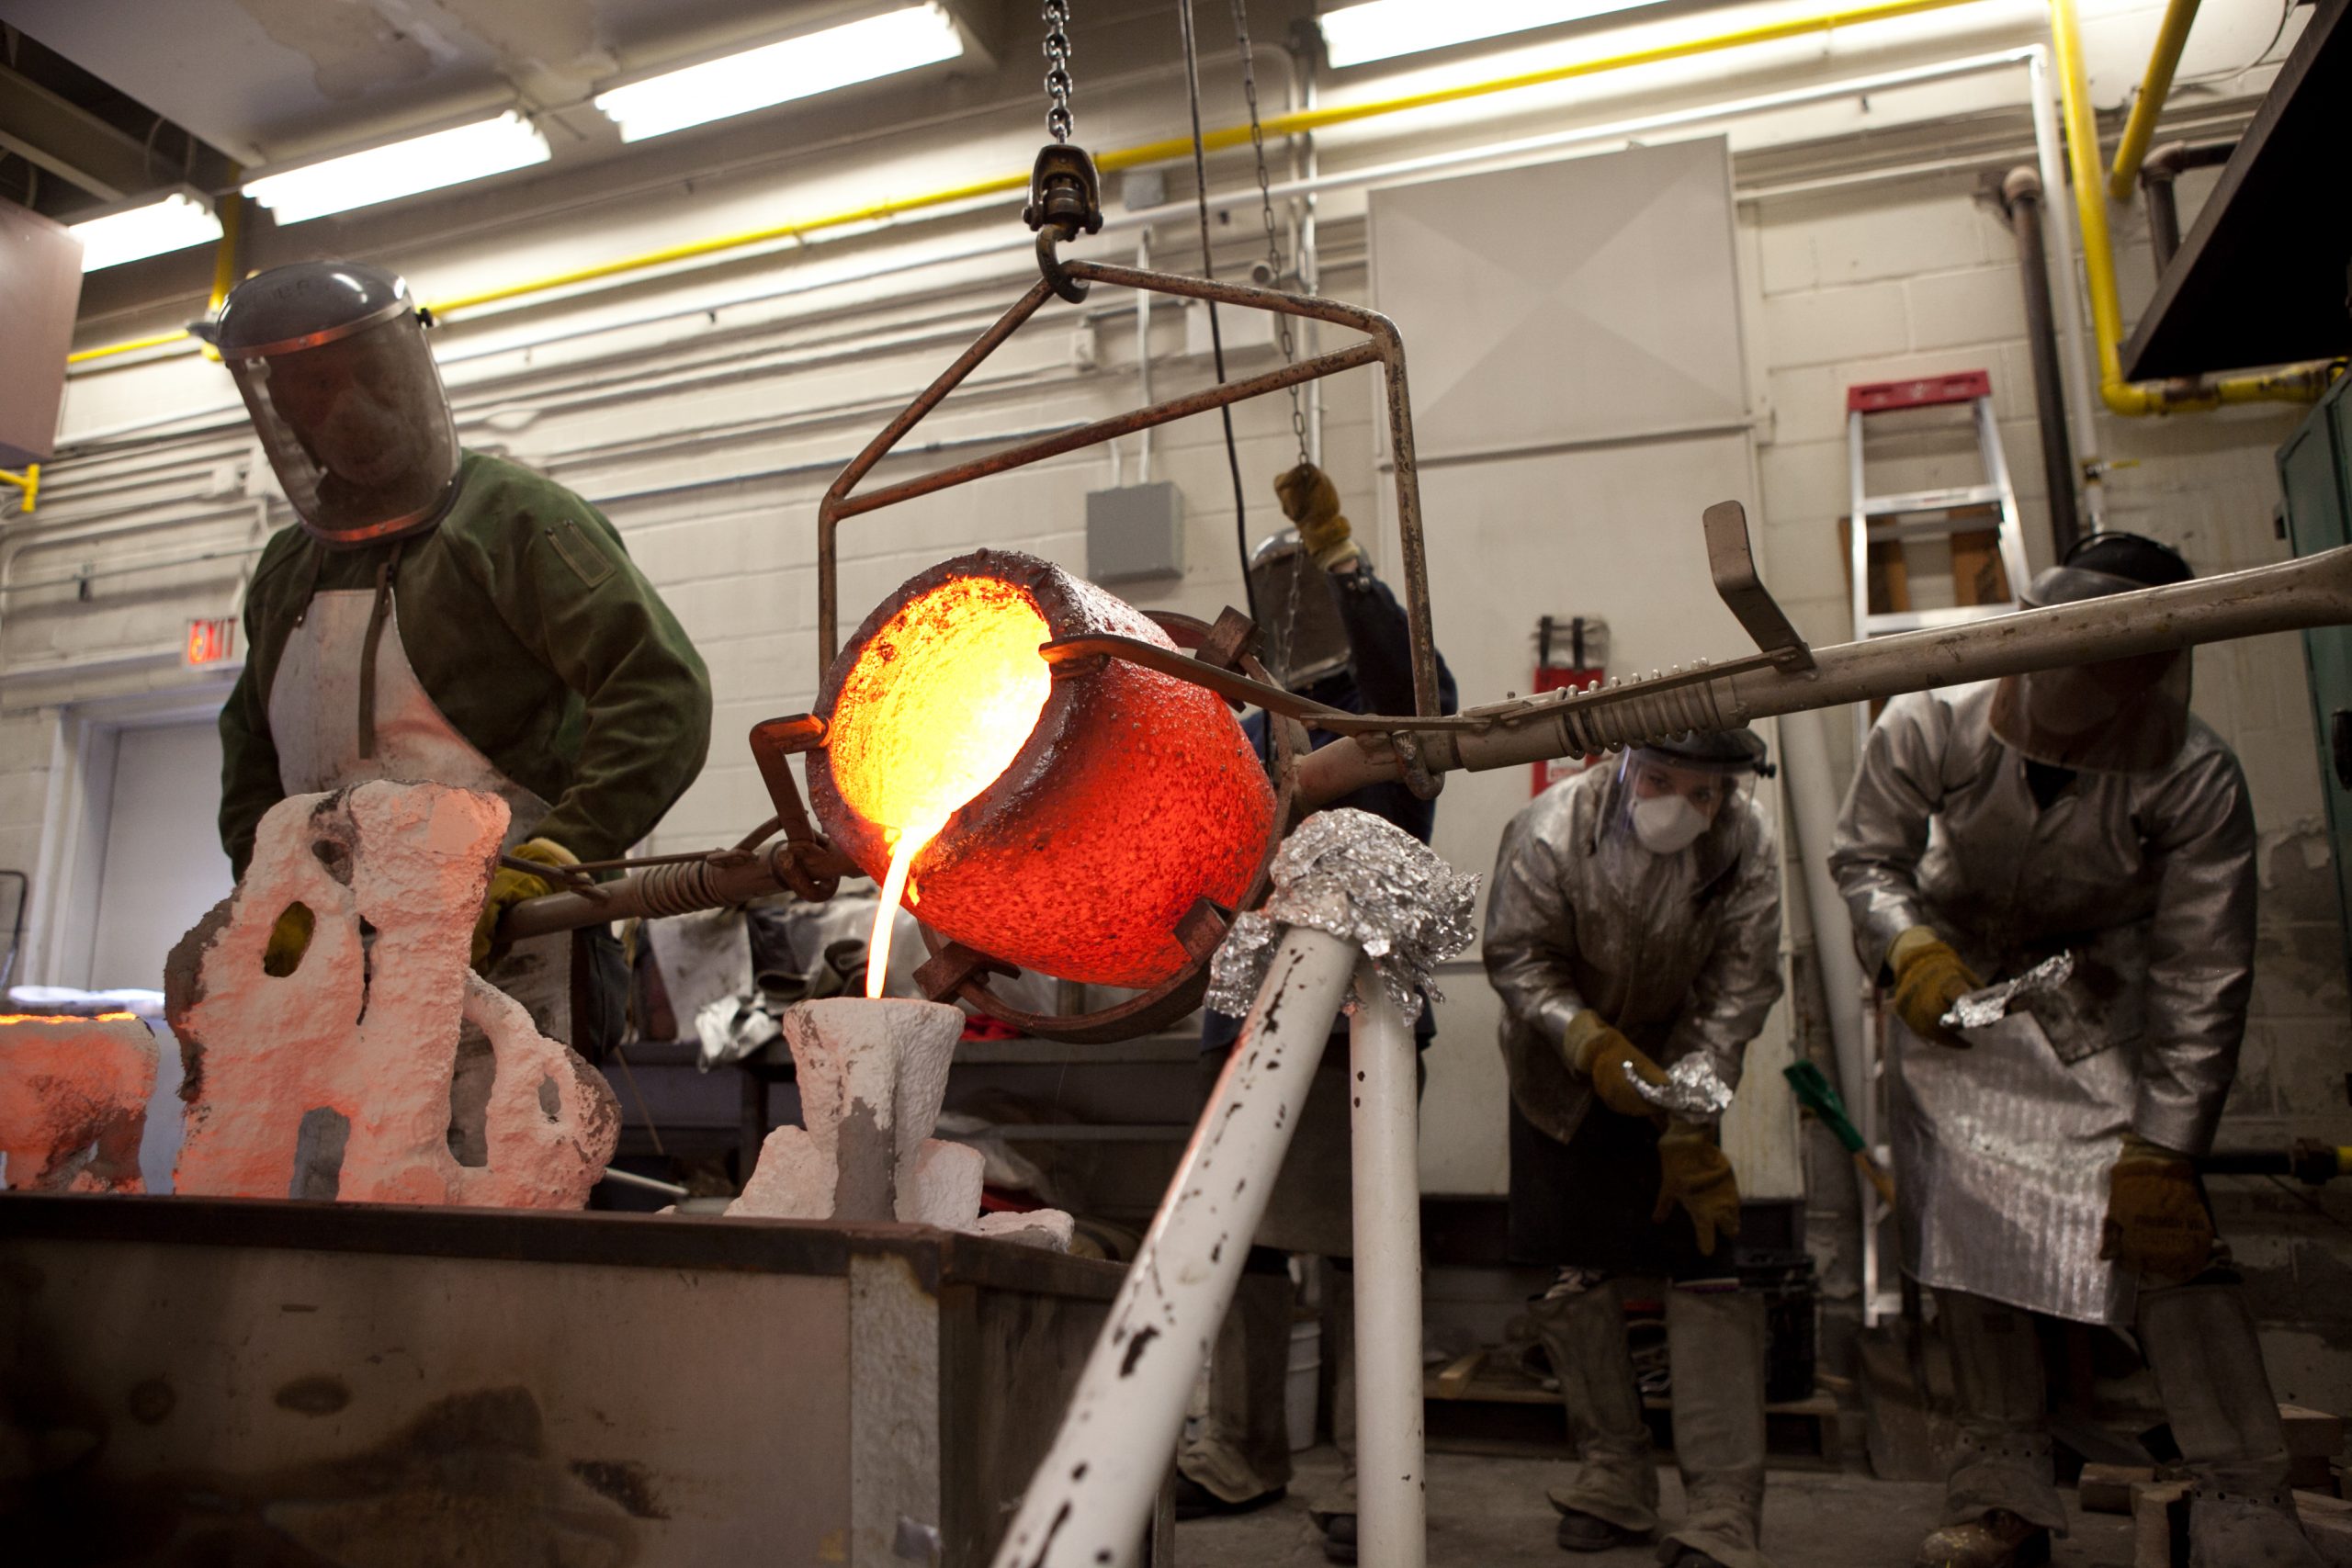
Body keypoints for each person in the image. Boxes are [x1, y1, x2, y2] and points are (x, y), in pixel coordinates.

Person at [1829, 532, 2320, 1568]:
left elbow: (2200, 970)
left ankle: (2248, 1502)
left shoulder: (2192, 776)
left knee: (2168, 1250)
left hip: (2102, 1015)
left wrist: (2166, 1148)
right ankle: (2003, 1494)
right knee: (1968, 1262)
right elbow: (1866, 855)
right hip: (1958, 1011)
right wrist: (1907, 947)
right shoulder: (1932, 712)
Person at [207, 260, 711, 1136]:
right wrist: (272, 890)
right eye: (313, 388)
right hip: (335, 965)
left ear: (406, 370)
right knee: (331, 1195)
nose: (345, 407)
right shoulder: (286, 569)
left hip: (512, 952)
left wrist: (557, 854)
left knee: (498, 1193)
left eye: (363, 376)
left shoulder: (516, 521)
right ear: (280, 410)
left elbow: (660, 691)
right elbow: (251, 754)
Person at [1175, 461, 1455, 1564]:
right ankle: (1238, 1452)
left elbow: (1416, 687)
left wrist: (1346, 555)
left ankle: (1366, 1467)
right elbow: (1195, 841)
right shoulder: (1239, 737)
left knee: (1361, 1249)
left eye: (1314, 590)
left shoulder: (1394, 727)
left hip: (1360, 1026)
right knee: (1233, 1245)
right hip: (1236, 1021)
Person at [1485, 729, 1783, 1568]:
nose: (1679, 807)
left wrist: (1689, 1115)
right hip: (1562, 1074)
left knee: (1703, 1262)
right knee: (1577, 1270)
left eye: (1705, 793)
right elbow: (1517, 953)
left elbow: (1740, 984)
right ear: (1623, 766)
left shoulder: (1747, 846)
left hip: (1680, 1061)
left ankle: (1724, 1508)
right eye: (1660, 779)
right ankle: (1615, 1473)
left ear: (1729, 794)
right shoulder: (1550, 826)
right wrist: (1585, 1040)